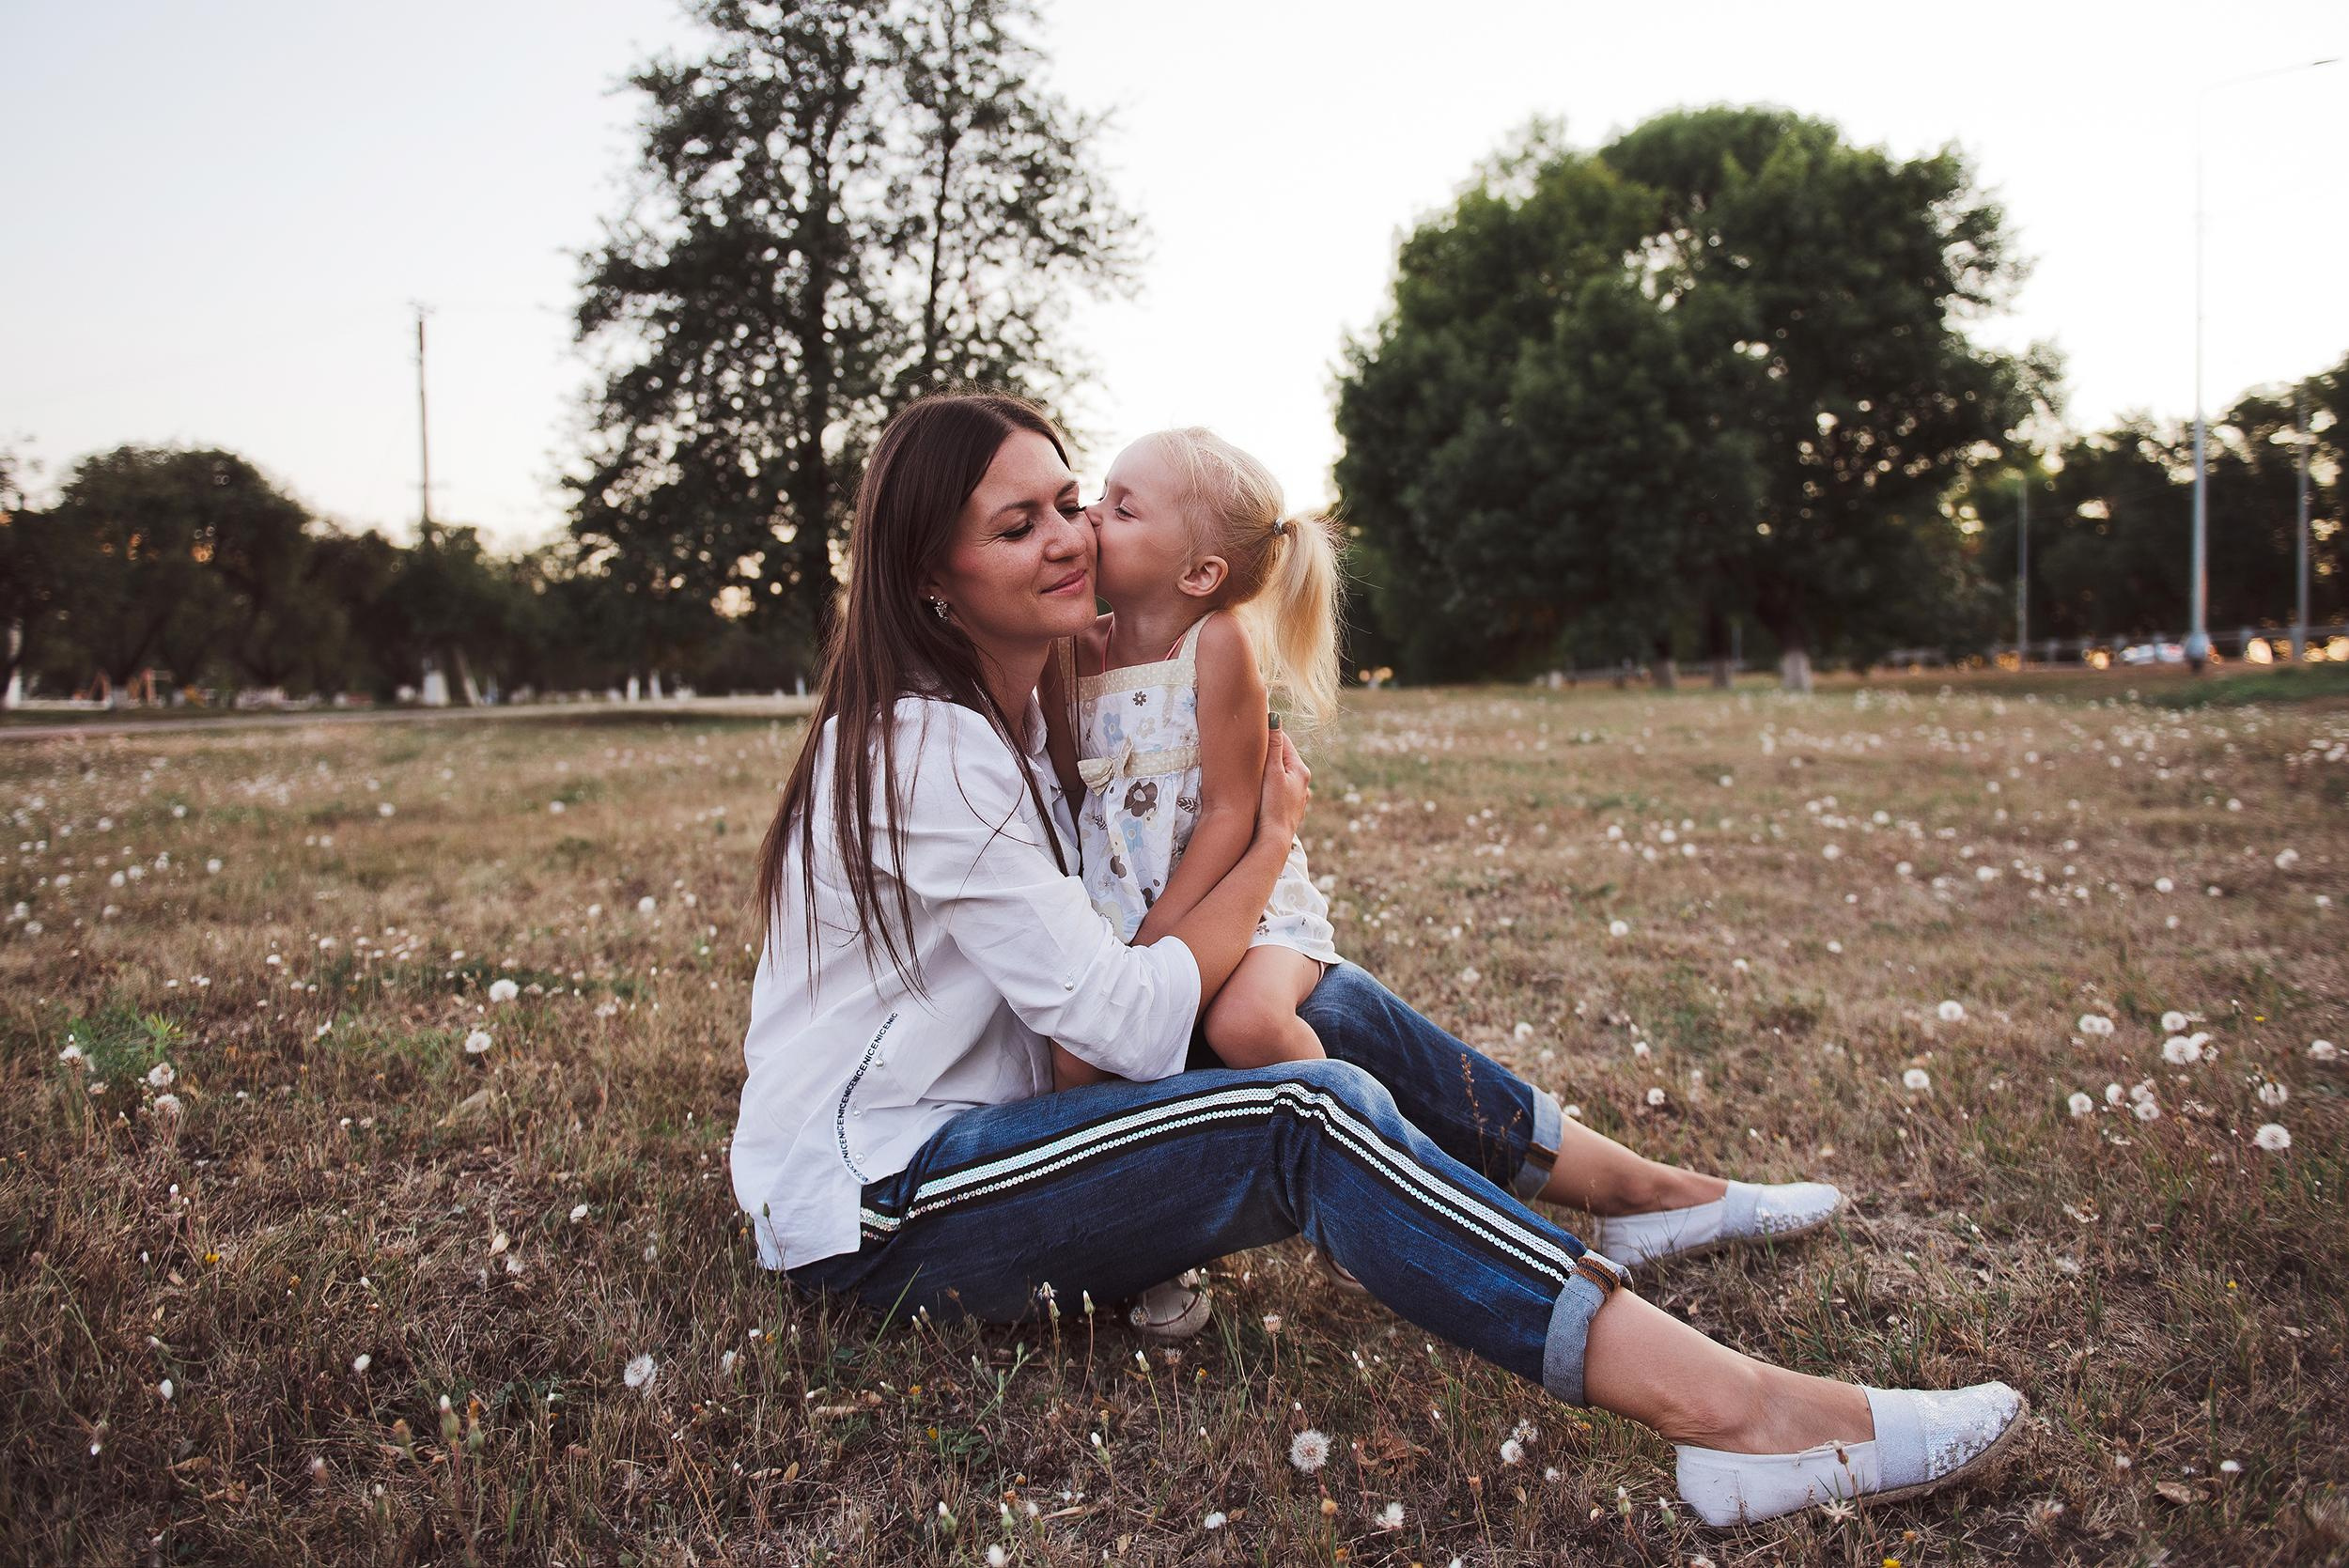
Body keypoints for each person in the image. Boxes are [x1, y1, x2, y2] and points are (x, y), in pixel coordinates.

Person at [729, 393, 2027, 1527]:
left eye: (1070, 501)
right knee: (1305, 1113)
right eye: (1019, 528)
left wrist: (1247, 879)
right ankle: (1746, 1419)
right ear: (927, 583)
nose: (1069, 536)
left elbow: (1142, 948)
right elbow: (1123, 1021)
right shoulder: (929, 748)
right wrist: (1265, 847)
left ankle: (1639, 1188)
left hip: (990, 1143)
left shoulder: (1018, 714)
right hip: (887, 1208)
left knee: (1318, 1003)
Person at [1040, 427, 1344, 1086]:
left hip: (1244, 903)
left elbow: (1229, 813)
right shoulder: (1069, 653)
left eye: (1122, 509)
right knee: (1074, 1063)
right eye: (1101, 496)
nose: (1090, 516)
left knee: (1245, 1023)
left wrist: (1160, 937)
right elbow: (1069, 791)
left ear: (1199, 572)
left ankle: (1348, 1131)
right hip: (1121, 908)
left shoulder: (1216, 643)